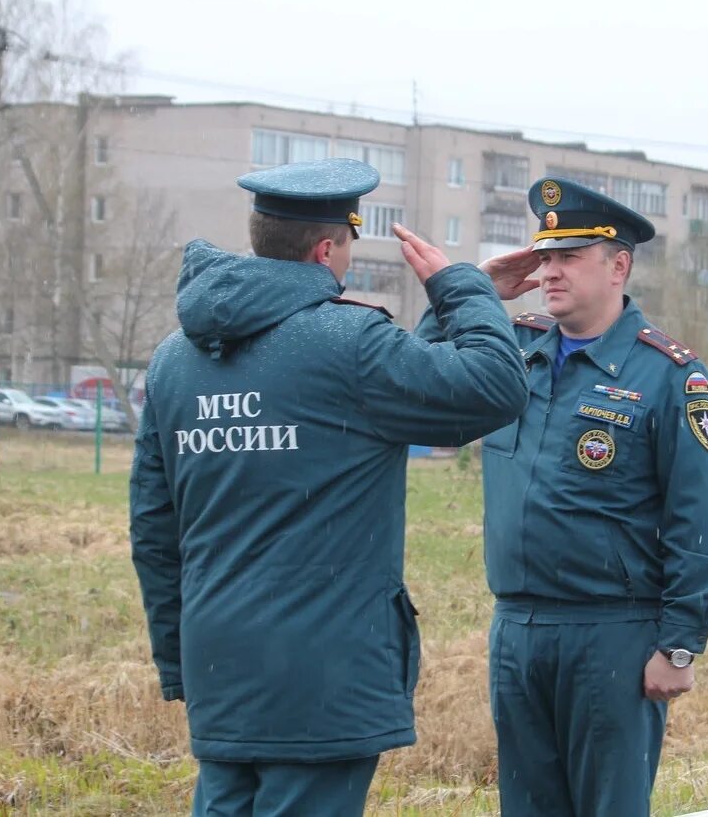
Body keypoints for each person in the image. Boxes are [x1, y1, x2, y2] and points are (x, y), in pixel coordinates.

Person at [129, 158, 529, 816]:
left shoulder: (177, 357)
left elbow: (154, 528)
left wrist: (180, 657)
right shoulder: (349, 342)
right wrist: (460, 288)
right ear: (326, 248)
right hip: (321, 679)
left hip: (220, 664)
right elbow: (495, 385)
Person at [418, 176, 708, 816]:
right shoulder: (512, 350)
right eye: (546, 257)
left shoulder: (670, 376)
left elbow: (700, 521)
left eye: (569, 257)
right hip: (518, 631)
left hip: (611, 634)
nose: (550, 272)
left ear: (618, 265)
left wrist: (679, 645)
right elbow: (413, 387)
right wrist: (471, 292)